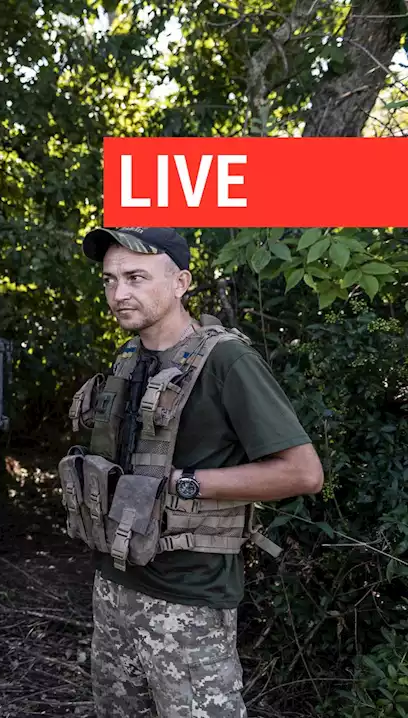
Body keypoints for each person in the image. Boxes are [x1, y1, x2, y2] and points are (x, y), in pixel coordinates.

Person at [61, 227, 324, 717]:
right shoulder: (129, 357)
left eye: (136, 277)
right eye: (110, 280)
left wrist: (186, 483)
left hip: (188, 602)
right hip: (114, 587)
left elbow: (303, 472)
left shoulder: (227, 360)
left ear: (181, 282)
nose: (120, 293)